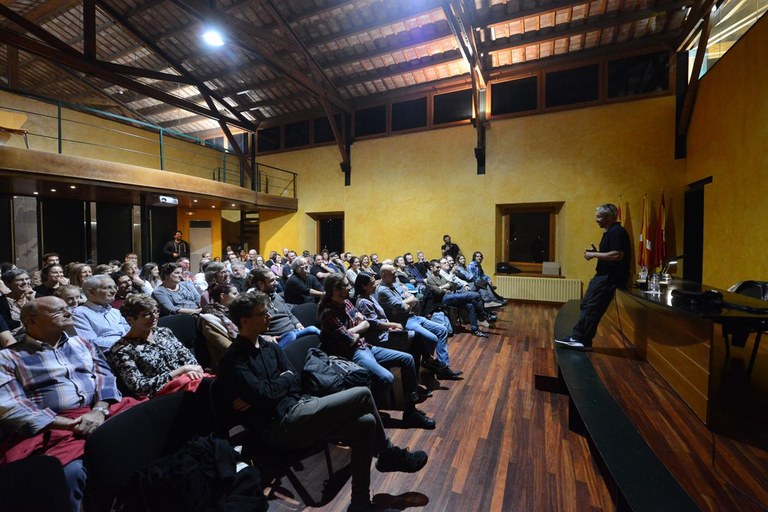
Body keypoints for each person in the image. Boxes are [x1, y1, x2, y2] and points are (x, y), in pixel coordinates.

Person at [215, 292, 429, 512]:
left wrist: (275, 386)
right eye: (262, 314)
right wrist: (278, 383)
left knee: (366, 423)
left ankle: (360, 503)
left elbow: (293, 381)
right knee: (363, 393)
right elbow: (266, 394)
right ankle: (388, 455)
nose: (269, 317)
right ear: (244, 321)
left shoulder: (270, 347)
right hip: (278, 426)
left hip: (299, 407)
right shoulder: (232, 361)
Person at [0, 297, 139, 512]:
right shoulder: (9, 358)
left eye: (67, 308)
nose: (68, 313)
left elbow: (104, 377)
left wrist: (99, 410)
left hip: (100, 412)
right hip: (52, 428)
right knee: (68, 474)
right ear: (31, 321)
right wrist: (69, 424)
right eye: (59, 311)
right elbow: (12, 406)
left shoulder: (82, 342)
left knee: (146, 434)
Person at [318, 274, 435, 429]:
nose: (349, 287)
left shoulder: (346, 302)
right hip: (350, 353)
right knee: (386, 378)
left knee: (407, 359)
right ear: (335, 289)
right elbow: (350, 338)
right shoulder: (328, 313)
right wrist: (360, 327)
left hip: (364, 345)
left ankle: (410, 412)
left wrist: (356, 328)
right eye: (346, 285)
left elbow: (363, 322)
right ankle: (365, 411)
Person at [556, 204, 631, 350]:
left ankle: (581, 340)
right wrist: (597, 252)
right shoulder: (610, 232)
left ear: (609, 217)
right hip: (602, 276)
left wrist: (594, 254)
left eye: (599, 217)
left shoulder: (617, 232)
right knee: (587, 305)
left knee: (592, 308)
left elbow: (617, 255)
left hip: (609, 278)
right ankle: (579, 337)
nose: (596, 220)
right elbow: (611, 254)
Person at [107, 294, 206, 397]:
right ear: (130, 320)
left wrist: (192, 371)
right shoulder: (121, 349)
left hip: (190, 381)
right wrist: (181, 371)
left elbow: (187, 357)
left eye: (156, 311)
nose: (154, 317)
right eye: (146, 314)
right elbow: (139, 387)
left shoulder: (164, 332)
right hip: (164, 395)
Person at [376, 265, 461, 380]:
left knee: (442, 330)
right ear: (383, 275)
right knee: (432, 338)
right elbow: (402, 307)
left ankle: (442, 368)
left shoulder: (395, 285)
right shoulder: (383, 291)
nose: (396, 275)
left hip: (413, 317)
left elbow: (413, 297)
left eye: (395, 272)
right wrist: (409, 301)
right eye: (392, 273)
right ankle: (429, 360)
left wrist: (409, 300)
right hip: (403, 321)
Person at [249, 268, 321, 348]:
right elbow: (249, 331)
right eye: (272, 281)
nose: (276, 283)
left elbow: (289, 315)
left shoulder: (276, 296)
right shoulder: (253, 304)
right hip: (279, 339)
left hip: (294, 332)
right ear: (261, 284)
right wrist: (264, 338)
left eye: (276, 279)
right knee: (298, 334)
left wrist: (298, 324)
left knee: (312, 329)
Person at [426, 259, 490, 338]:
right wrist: (446, 287)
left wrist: (444, 287)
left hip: (451, 295)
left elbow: (452, 284)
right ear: (431, 268)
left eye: (439, 267)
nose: (439, 269)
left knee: (470, 305)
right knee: (476, 295)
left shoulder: (440, 276)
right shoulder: (430, 279)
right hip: (444, 299)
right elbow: (438, 291)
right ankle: (483, 315)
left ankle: (475, 330)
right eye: (437, 267)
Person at [72, 275, 130, 352]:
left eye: (115, 287)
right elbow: (90, 342)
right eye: (108, 287)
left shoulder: (116, 312)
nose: (114, 291)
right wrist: (123, 341)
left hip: (128, 350)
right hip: (106, 357)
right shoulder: (79, 313)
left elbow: (130, 333)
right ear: (91, 292)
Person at [199, 284, 241, 367]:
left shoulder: (235, 312)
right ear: (222, 296)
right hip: (230, 363)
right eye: (235, 293)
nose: (239, 295)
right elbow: (227, 347)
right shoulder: (210, 319)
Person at [0, 269, 36, 342]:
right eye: (19, 280)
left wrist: (32, 300)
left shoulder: (37, 296)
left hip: (38, 338)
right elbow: (6, 325)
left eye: (27, 279)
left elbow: (44, 318)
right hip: (12, 341)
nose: (25, 282)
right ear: (8, 283)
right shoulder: (1, 302)